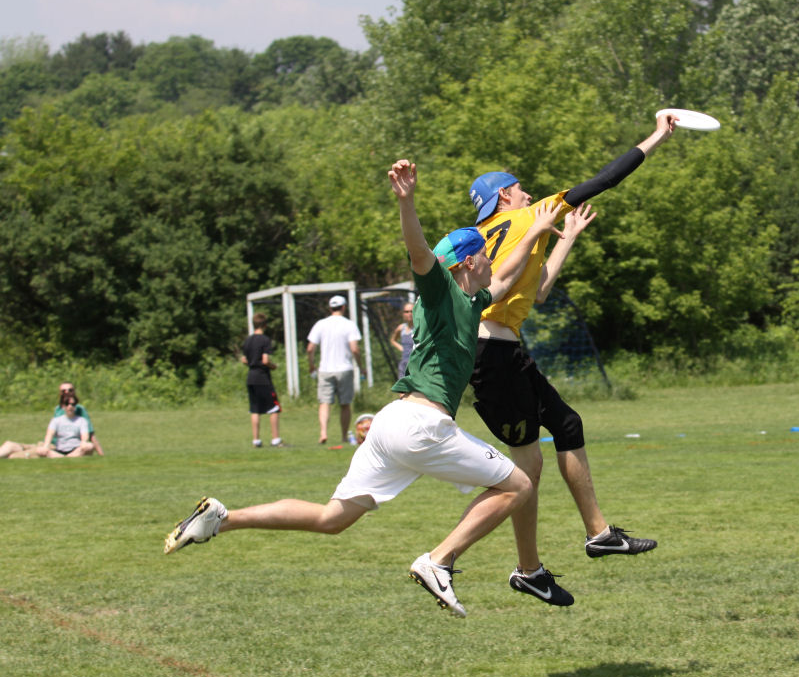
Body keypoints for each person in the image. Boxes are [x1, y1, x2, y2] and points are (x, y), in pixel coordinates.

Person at [164, 158, 564, 619]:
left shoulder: (471, 301)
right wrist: (406, 201)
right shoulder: (441, 293)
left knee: (332, 518)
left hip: (391, 424)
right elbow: (420, 252)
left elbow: (509, 275)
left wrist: (538, 232)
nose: (494, 259)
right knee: (518, 485)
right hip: (422, 425)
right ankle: (438, 561)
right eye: (487, 255)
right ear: (469, 261)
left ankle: (224, 518)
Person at [466, 111, 675, 606]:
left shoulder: (497, 232)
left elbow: (537, 292)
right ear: (505, 196)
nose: (527, 193)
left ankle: (598, 534)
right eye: (520, 188)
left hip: (504, 351)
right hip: (491, 355)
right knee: (525, 470)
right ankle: (521, 569)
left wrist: (568, 239)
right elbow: (605, 179)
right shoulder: (527, 217)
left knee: (567, 424)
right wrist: (657, 136)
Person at [306, 294, 364, 444]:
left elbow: (310, 348)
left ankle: (323, 432)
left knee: (324, 403)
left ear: (330, 308)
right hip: (345, 369)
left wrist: (311, 365)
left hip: (325, 369)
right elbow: (355, 349)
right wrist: (361, 367)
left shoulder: (320, 324)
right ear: (344, 307)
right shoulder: (349, 324)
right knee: (345, 404)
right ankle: (344, 436)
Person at [7, 392, 95, 458]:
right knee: (41, 450)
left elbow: (85, 435)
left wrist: (84, 442)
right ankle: (66, 457)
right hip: (60, 449)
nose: (70, 406)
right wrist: (46, 446)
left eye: (73, 404)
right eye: (67, 404)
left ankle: (68, 457)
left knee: (90, 446)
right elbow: (50, 434)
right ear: (63, 406)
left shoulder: (81, 420)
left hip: (76, 448)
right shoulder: (56, 421)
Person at [241, 312, 283, 448]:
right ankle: (275, 439)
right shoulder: (265, 340)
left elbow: (244, 359)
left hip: (251, 377)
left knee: (255, 409)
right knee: (274, 408)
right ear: (265, 325)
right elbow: (265, 360)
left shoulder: (248, 340)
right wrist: (273, 366)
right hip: (263, 377)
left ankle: (256, 440)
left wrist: (252, 363)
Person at [54, 381, 103, 455]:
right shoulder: (58, 409)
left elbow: (90, 433)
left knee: (89, 447)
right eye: (64, 391)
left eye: (70, 390)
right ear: (60, 393)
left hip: (75, 445)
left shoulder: (79, 409)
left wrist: (101, 454)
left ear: (74, 392)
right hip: (58, 444)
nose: (67, 392)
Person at [389, 301, 415, 379]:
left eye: (411, 311)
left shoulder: (419, 328)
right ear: (403, 313)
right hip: (404, 363)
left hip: (416, 364)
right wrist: (402, 348)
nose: (409, 314)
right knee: (402, 386)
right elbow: (392, 340)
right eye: (406, 311)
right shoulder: (401, 328)